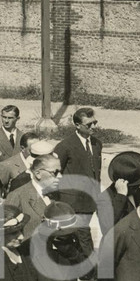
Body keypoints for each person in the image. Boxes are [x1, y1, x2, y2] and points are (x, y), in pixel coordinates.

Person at [53, 107, 102, 261]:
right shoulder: (65, 146)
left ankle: (77, 262)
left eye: (94, 123)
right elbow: (54, 171)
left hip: (90, 199)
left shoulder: (97, 144)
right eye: (89, 124)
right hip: (73, 200)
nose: (93, 127)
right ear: (77, 125)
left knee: (78, 235)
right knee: (83, 235)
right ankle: (92, 267)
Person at [5, 151, 59, 239]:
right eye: (54, 173)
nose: (60, 176)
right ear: (38, 174)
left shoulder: (55, 193)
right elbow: (6, 232)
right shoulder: (17, 195)